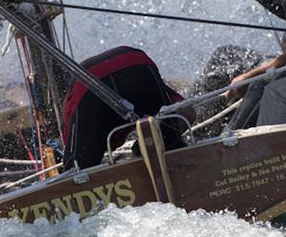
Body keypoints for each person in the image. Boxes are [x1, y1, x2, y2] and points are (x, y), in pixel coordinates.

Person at [62, 46, 191, 169]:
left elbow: (79, 154)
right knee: (170, 134)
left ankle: (150, 148)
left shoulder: (69, 125)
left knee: (76, 170)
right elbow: (187, 111)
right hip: (136, 61)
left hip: (89, 84)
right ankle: (161, 147)